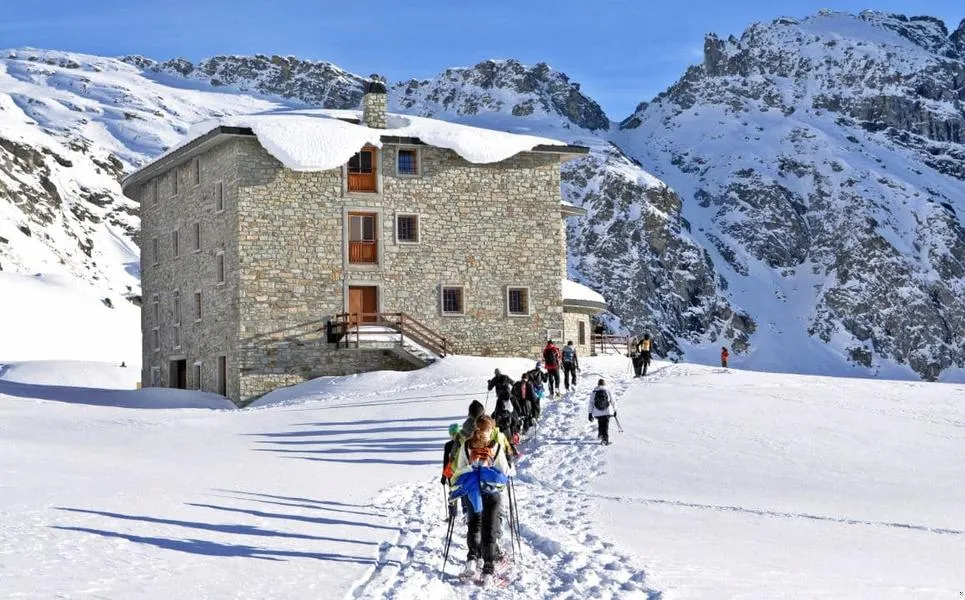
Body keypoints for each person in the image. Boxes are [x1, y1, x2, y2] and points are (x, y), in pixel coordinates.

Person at [450, 415, 512, 585]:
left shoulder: (466, 446)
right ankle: (488, 572)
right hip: (491, 493)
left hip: (472, 493)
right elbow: (505, 471)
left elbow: (459, 470)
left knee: (474, 525)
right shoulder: (495, 446)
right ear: (490, 429)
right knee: (489, 530)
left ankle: (471, 560)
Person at [587, 378, 617, 445]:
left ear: (598, 384)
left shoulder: (594, 392)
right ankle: (605, 440)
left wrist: (590, 413)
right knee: (605, 425)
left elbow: (591, 403)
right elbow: (613, 401)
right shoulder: (607, 391)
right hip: (607, 411)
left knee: (600, 423)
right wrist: (615, 410)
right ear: (604, 384)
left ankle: (600, 435)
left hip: (597, 411)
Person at [440, 423, 461, 518]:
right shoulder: (462, 443)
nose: (453, 436)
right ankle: (460, 514)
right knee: (460, 492)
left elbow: (446, 461)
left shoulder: (449, 445)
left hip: (454, 472)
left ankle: (453, 514)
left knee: (454, 493)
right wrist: (444, 476)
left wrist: (444, 476)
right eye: (452, 434)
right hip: (459, 472)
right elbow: (445, 461)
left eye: (453, 434)